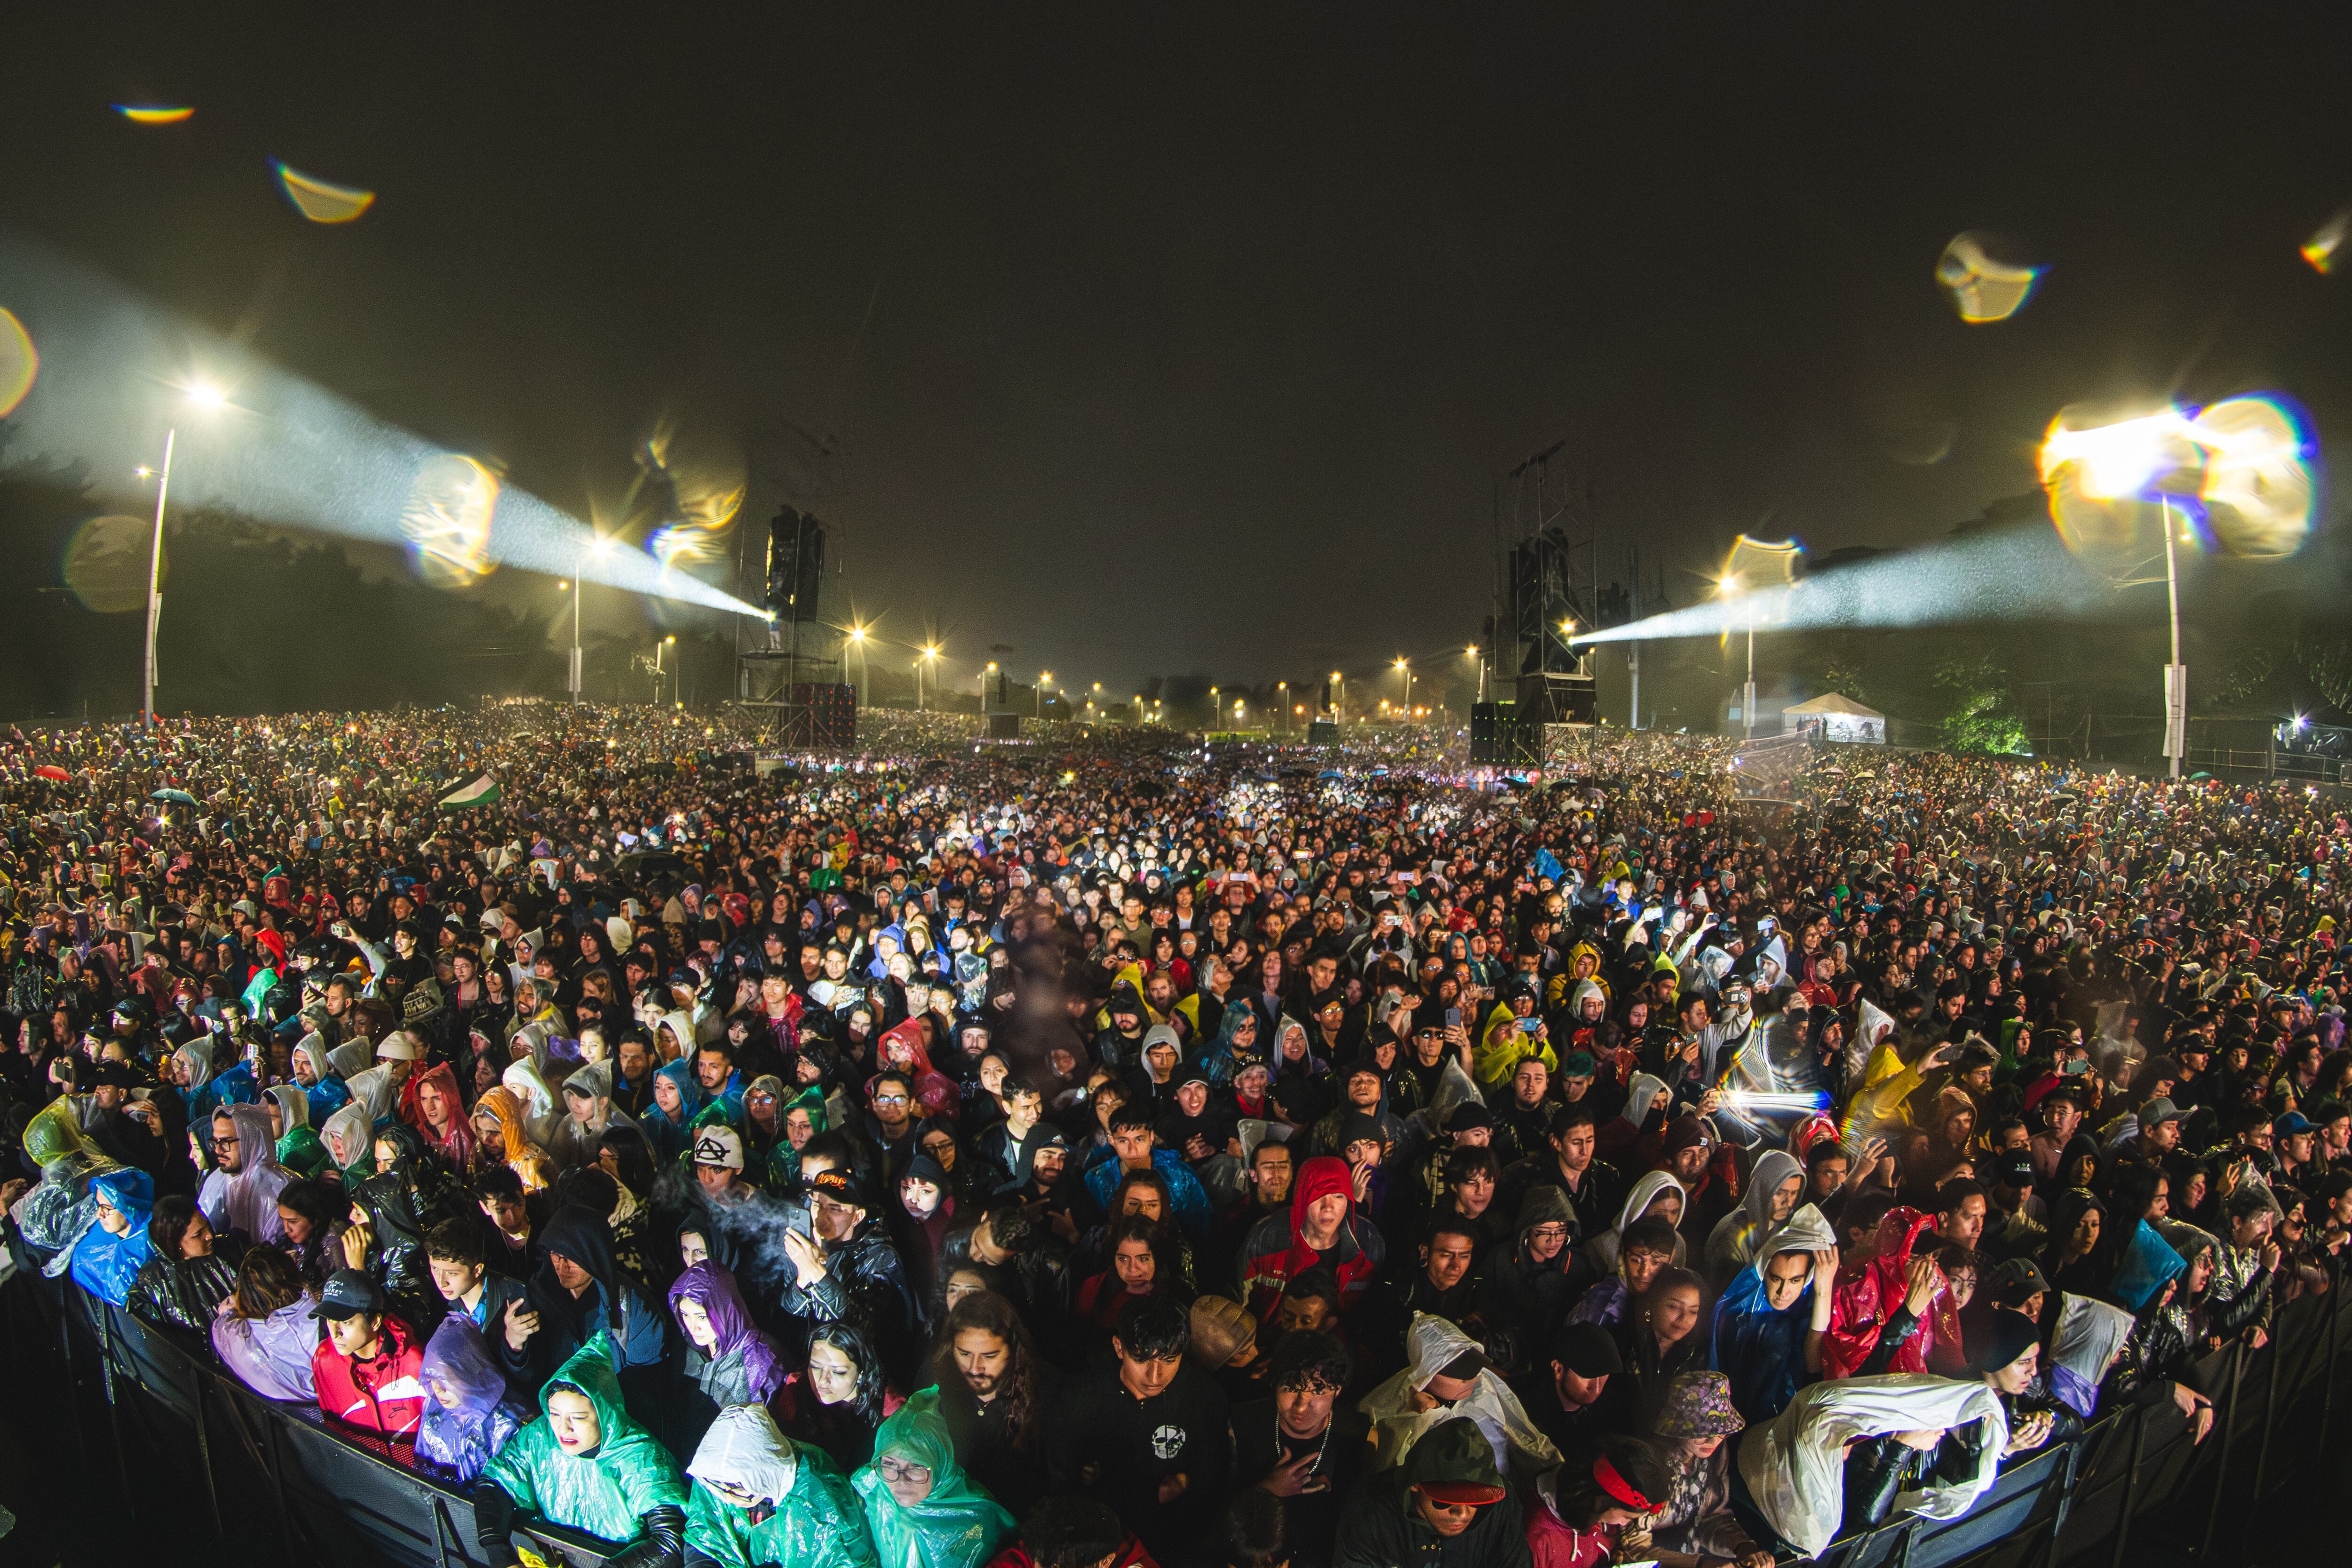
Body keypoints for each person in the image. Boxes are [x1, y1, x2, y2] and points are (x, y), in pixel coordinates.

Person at [1733, 1374, 2008, 1558]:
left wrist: (1975, 1442)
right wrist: (1902, 1448)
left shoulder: (1930, 1440)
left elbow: (1967, 1483)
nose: (1943, 1430)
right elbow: (1862, 1521)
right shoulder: (1868, 1440)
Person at [475, 1333, 690, 1568]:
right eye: (554, 1414)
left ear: (604, 1413)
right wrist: (501, 1556)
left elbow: (669, 1541)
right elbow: (495, 1481)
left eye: (578, 1417)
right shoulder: (538, 1438)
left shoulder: (641, 1457)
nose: (562, 1428)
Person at [1048, 1294, 1232, 1560]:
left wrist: (1106, 1484)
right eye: (1142, 1360)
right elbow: (1061, 1487)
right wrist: (1151, 1492)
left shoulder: (1204, 1397)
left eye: (1170, 1361)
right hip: (1098, 1543)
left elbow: (1211, 1485)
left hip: (1175, 1544)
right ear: (1119, 1348)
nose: (1155, 1377)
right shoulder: (1081, 1394)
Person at [1359, 1312, 1560, 1482]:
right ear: (1427, 1374)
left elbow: (1520, 1433)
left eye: (1474, 1367)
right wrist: (1412, 1419)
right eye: (1459, 1374)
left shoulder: (1483, 1382)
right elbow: (1390, 1467)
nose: (1471, 1378)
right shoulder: (1395, 1406)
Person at [1231, 1328, 1367, 1568]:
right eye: (1291, 1389)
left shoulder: (1357, 1435)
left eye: (1318, 1391)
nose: (1302, 1406)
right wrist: (1266, 1490)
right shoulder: (1242, 1422)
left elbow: (1354, 1523)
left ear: (1338, 1390)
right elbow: (1212, 1506)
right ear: (1275, 1384)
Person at [685, 1403, 881, 1568]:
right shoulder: (718, 1475)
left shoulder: (818, 1498)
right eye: (720, 1488)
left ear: (765, 1475)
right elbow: (704, 1538)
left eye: (739, 1490)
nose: (727, 1498)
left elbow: (846, 1559)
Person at [1334, 1414, 1533, 1568]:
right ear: (1415, 1485)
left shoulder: (1502, 1502)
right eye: (1445, 1501)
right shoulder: (1371, 1506)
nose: (1462, 1514)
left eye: (1476, 1502)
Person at [853, 1388, 1019, 1568]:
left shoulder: (976, 1519)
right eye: (890, 1464)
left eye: (916, 1467)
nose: (901, 1481)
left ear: (942, 1464)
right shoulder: (872, 1493)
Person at [1709, 1202, 1838, 1423]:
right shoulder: (1737, 1310)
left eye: (1795, 1280)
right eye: (1775, 1279)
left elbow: (1814, 1368)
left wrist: (1823, 1292)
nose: (1783, 1292)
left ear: (1807, 1278)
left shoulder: (1813, 1309)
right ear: (1763, 1272)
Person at [931, 1290, 1047, 1513]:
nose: (975, 1368)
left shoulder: (1046, 1392)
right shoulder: (934, 1380)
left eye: (990, 1356)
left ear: (1013, 1350)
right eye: (964, 1354)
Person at [1642, 1374, 1772, 1568]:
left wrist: (1742, 1546)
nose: (1714, 1441)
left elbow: (1711, 1517)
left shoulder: (1715, 1455)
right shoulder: (1649, 1462)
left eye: (1721, 1432)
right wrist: (1702, 1564)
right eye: (1703, 1432)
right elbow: (1631, 1548)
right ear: (1677, 1426)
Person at [1236, 1153, 1387, 1321]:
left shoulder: (1369, 1240)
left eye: (1338, 1196)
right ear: (1301, 1199)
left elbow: (1373, 1311)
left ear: (1349, 1200)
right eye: (1318, 1196)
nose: (1328, 1207)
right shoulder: (1266, 1234)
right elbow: (1237, 1300)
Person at [669, 1260, 788, 1428]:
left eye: (702, 1317)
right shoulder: (693, 1347)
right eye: (685, 1315)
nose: (692, 1326)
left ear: (724, 1310)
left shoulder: (757, 1357)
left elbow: (766, 1428)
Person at [312, 1268, 429, 1439]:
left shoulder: (415, 1364)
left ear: (375, 1321)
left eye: (346, 1322)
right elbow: (333, 1428)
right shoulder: (324, 1360)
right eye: (330, 1319)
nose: (335, 1333)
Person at [1520, 1435, 1670, 1568]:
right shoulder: (1537, 1543)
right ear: (1604, 1500)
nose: (1624, 1524)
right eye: (1627, 1518)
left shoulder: (1585, 1509)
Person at [419, 1314, 531, 1482]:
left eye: (447, 1380)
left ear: (470, 1371)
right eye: (432, 1380)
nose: (438, 1391)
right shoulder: (434, 1413)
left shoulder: (508, 1424)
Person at [792, 1321, 906, 1474]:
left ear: (861, 1373)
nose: (823, 1380)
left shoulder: (891, 1410)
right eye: (816, 1367)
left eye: (838, 1372)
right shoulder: (796, 1387)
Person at [214, 1244, 324, 1402]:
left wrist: (235, 1306)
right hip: (321, 1408)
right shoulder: (315, 1321)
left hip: (276, 1415)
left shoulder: (234, 1334)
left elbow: (225, 1320)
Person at [127, 1194, 242, 1335]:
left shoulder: (233, 1249)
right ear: (175, 1242)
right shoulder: (152, 1283)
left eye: (207, 1226)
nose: (210, 1236)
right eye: (198, 1234)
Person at [71, 1166, 158, 1308]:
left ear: (130, 1206)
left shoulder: (153, 1242)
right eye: (98, 1205)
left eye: (107, 1208)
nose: (99, 1214)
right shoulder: (93, 1244)